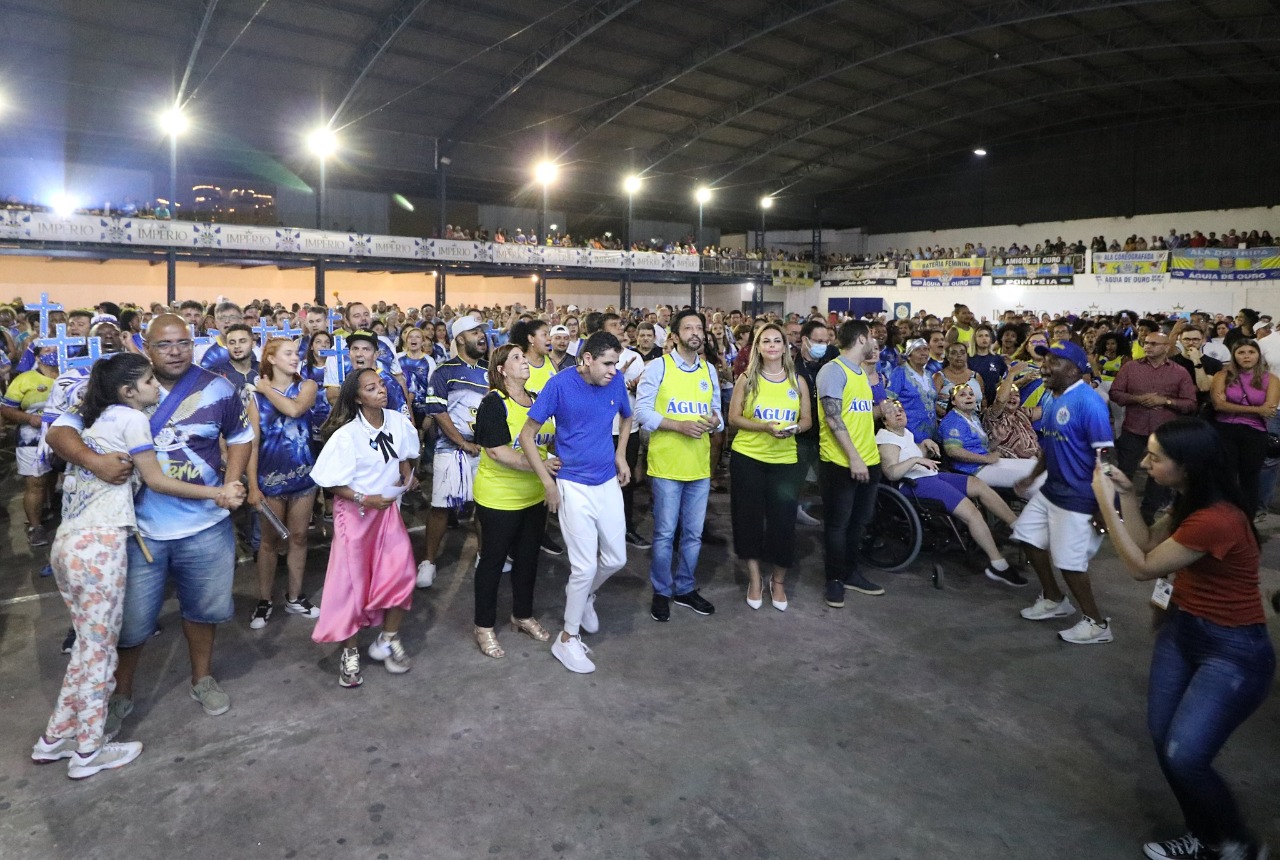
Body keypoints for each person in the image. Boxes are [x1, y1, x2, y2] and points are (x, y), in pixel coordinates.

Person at [31, 354, 240, 779]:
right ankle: (89, 750)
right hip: (103, 543)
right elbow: (158, 479)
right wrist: (217, 494)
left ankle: (54, 739)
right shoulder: (132, 419)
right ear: (130, 388)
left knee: (88, 648)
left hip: (71, 541)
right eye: (148, 380)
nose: (156, 387)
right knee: (99, 652)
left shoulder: (102, 414)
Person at [1091, 419, 1273, 860]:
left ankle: (1239, 844)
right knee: (1163, 740)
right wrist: (1130, 497)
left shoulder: (1218, 518)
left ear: (1189, 466)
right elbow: (1150, 541)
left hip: (1232, 651)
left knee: (1185, 755)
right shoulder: (1190, 502)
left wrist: (1106, 504)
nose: (1145, 462)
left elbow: (1141, 567)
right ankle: (1205, 835)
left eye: (1156, 457)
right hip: (1183, 631)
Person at [519, 331, 632, 674]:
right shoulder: (559, 385)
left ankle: (584, 596)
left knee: (616, 558)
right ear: (586, 360)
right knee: (583, 567)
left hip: (607, 482)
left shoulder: (615, 382)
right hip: (572, 484)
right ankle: (567, 639)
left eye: (616, 362)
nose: (615, 370)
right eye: (608, 363)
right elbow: (526, 435)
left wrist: (621, 455)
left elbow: (627, 417)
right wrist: (547, 483)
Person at [309, 368, 420, 687]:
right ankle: (350, 651)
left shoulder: (397, 422)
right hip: (355, 515)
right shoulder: (347, 435)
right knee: (352, 585)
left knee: (402, 574)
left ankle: (387, 639)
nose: (381, 391)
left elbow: (404, 455)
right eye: (371, 388)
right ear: (358, 398)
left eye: (381, 385)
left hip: (385, 512)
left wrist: (407, 477)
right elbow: (330, 483)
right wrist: (363, 497)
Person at [1011, 341, 1115, 644]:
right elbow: (1051, 444)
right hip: (1051, 491)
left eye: (1053, 362)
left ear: (1073, 369)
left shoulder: (1089, 403)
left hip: (1079, 497)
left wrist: (1105, 506)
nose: (1044, 366)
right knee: (1028, 537)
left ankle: (1097, 624)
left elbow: (1106, 457)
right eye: (1044, 360)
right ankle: (1054, 599)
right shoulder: (1054, 398)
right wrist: (1032, 476)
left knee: (1070, 563)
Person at [877, 399, 1023, 587]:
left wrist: (924, 446)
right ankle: (998, 563)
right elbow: (891, 472)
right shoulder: (886, 439)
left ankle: (1018, 527)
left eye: (901, 410)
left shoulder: (904, 433)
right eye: (892, 412)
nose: (899, 413)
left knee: (978, 485)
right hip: (914, 484)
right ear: (885, 421)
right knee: (971, 512)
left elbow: (912, 457)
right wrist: (915, 460)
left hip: (930, 476)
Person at [471, 344, 558, 658]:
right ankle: (483, 626)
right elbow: (496, 450)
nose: (525, 361)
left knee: (528, 558)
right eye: (517, 358)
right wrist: (539, 466)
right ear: (502, 370)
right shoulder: (494, 403)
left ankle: (522, 614)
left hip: (533, 495)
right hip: (500, 497)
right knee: (493, 562)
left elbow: (549, 439)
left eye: (525, 356)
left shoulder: (536, 399)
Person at [635, 309, 721, 622]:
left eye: (699, 327)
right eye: (688, 328)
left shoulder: (709, 370)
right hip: (667, 465)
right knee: (665, 534)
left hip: (698, 466)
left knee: (694, 534)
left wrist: (713, 422)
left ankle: (685, 588)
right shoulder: (658, 367)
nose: (695, 332)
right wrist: (679, 426)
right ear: (674, 335)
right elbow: (643, 411)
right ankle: (661, 590)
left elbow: (718, 414)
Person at [727, 323, 811, 611]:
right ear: (758, 347)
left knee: (783, 524)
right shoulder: (747, 379)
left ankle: (778, 581)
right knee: (747, 520)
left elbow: (808, 421)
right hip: (748, 459)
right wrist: (764, 427)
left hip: (784, 463)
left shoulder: (796, 381)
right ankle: (754, 579)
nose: (772, 345)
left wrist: (794, 429)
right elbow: (734, 418)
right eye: (766, 341)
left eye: (777, 340)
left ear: (786, 347)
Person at [245, 338, 320, 629]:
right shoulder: (254, 397)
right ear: (271, 358)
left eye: (296, 353)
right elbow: (251, 443)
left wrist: (266, 388)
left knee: (299, 537)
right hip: (270, 479)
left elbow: (295, 410)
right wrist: (252, 485)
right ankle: (264, 600)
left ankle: (295, 596)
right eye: (288, 353)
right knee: (269, 542)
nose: (296, 357)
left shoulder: (307, 386)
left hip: (302, 476)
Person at [416, 317, 490, 588]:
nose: (481, 335)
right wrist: (461, 442)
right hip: (452, 447)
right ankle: (428, 562)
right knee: (441, 507)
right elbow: (438, 411)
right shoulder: (444, 371)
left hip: (485, 449)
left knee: (484, 506)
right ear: (459, 338)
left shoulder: (491, 369)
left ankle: (485, 556)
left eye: (481, 331)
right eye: (474, 332)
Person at [817, 320, 883, 607]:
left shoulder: (861, 374)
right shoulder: (833, 370)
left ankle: (850, 572)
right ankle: (834, 580)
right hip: (841, 463)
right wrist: (854, 458)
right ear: (861, 338)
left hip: (869, 460)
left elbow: (860, 415)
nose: (874, 343)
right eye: (872, 337)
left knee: (859, 523)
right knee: (838, 525)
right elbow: (833, 418)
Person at [1108, 331, 1198, 523]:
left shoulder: (1179, 372)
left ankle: (1146, 515)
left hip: (1163, 432)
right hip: (1134, 428)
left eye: (1154, 344)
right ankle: (1117, 512)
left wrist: (1165, 401)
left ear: (1166, 347)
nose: (1148, 346)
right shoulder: (1131, 368)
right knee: (1124, 471)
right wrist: (1137, 399)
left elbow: (1190, 403)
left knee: (1158, 476)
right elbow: (1115, 393)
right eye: (1146, 343)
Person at [1210, 338, 1279, 517]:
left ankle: (1246, 520)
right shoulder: (1222, 376)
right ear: (1234, 355)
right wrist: (1257, 409)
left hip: (1255, 433)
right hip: (1224, 430)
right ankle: (1223, 517)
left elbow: (1270, 410)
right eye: (1241, 352)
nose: (1246, 356)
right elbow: (1219, 406)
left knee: (1250, 478)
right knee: (1226, 477)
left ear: (1258, 355)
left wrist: (1232, 406)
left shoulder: (1270, 379)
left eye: (1251, 352)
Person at [1, 341, 61, 545]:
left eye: (55, 349)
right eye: (47, 350)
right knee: (36, 482)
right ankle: (35, 526)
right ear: (36, 357)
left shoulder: (69, 374)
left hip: (63, 437)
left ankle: (49, 507)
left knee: (53, 475)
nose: (52, 352)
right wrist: (29, 419)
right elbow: (7, 409)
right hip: (32, 438)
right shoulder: (25, 379)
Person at [939, 383, 1042, 495]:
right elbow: (953, 451)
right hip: (971, 470)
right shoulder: (953, 420)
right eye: (962, 395)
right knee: (1034, 479)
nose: (968, 397)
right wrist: (986, 459)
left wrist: (997, 439)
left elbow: (986, 448)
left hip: (985, 463)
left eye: (971, 394)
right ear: (953, 401)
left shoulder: (973, 418)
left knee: (1037, 468)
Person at [887, 337, 936, 443]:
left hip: (930, 432)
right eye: (918, 350)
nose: (923, 353)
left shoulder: (928, 374)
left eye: (926, 349)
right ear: (909, 355)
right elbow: (889, 401)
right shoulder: (899, 373)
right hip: (908, 431)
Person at [933, 341, 983, 417]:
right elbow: (931, 402)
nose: (959, 355)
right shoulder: (939, 377)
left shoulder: (976, 376)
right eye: (954, 353)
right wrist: (950, 416)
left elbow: (984, 401)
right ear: (948, 356)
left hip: (975, 422)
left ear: (967, 355)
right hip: (947, 421)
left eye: (962, 352)